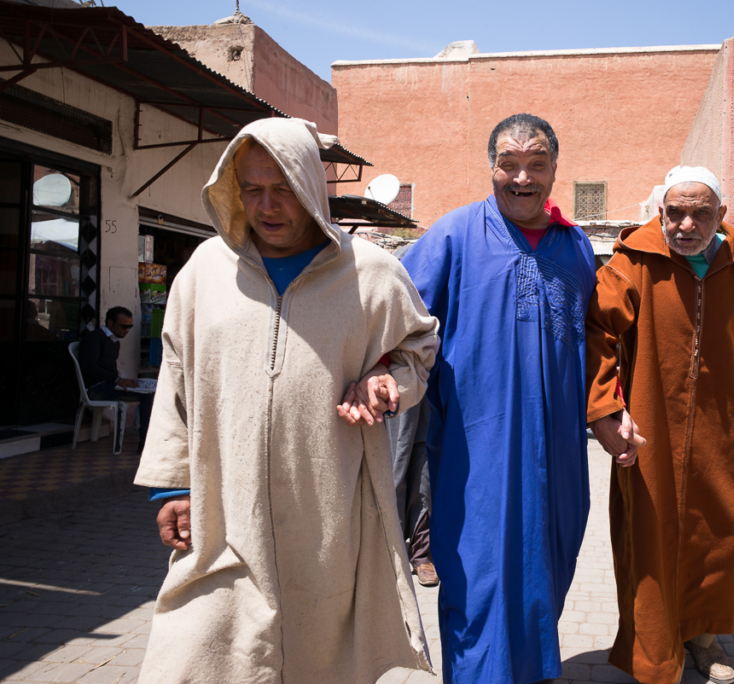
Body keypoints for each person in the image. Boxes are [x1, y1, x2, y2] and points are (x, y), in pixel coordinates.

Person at [133, 117, 439, 684]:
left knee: (319, 658)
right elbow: (176, 377)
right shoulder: (204, 272)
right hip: (224, 514)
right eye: (252, 189)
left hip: (328, 517)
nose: (267, 206)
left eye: (284, 189)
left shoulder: (371, 273)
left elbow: (419, 347)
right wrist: (174, 486)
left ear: (312, 188)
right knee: (195, 653)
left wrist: (387, 379)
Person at [397, 113, 595, 683]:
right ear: (492, 168)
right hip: (476, 452)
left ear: (554, 170)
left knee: (546, 573)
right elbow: (395, 313)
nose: (522, 178)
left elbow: (600, 338)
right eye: (509, 164)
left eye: (536, 164)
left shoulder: (577, 246)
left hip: (559, 456)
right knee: (477, 580)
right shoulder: (456, 234)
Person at [586, 166, 734, 684]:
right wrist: (607, 409)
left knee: (722, 536)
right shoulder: (632, 263)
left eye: (701, 214)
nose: (687, 225)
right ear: (659, 212)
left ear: (721, 215)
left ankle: (704, 639)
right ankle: (656, 654)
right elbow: (597, 334)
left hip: (723, 429)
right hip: (652, 429)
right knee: (650, 539)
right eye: (676, 213)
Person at [78, 305, 152, 451]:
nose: (127, 330)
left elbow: (110, 371)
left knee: (149, 390)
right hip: (96, 388)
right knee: (147, 396)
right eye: (123, 326)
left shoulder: (114, 342)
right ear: (110, 322)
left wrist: (123, 381)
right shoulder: (95, 338)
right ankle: (144, 442)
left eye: (129, 327)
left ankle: (147, 439)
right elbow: (90, 366)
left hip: (110, 385)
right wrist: (117, 380)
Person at [386, 399, 437, 586]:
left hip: (424, 385)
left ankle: (421, 552)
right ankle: (390, 548)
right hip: (384, 387)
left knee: (424, 458)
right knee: (393, 460)